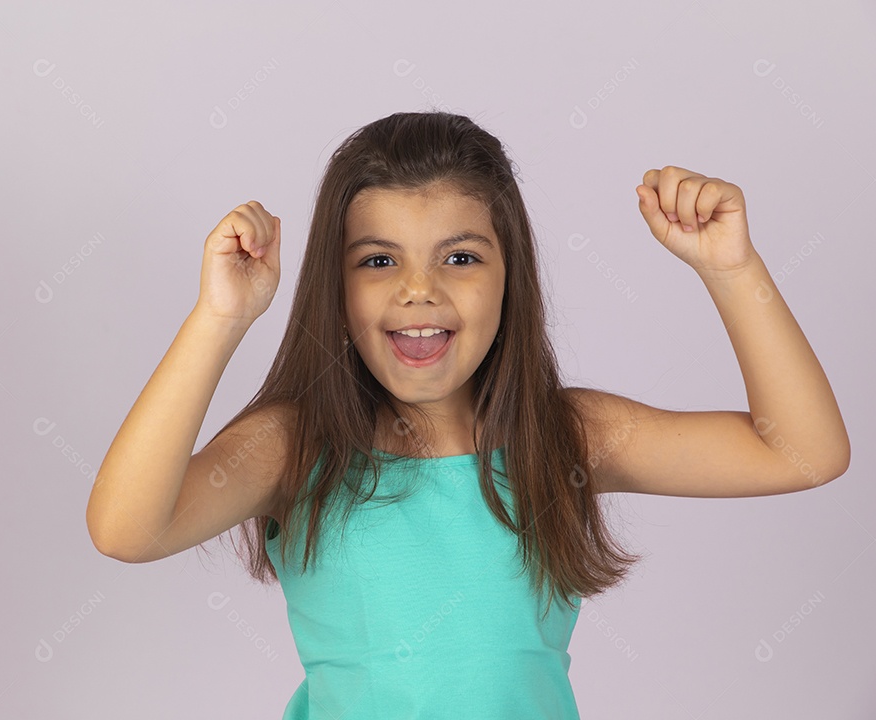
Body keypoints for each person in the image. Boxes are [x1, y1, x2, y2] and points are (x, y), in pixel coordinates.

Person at [85, 111, 851, 719]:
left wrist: (732, 269)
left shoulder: (565, 438)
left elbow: (803, 453)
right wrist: (219, 318)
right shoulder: (296, 446)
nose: (419, 291)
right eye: (378, 260)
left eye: (459, 257)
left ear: (509, 275)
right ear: (335, 284)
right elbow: (124, 530)